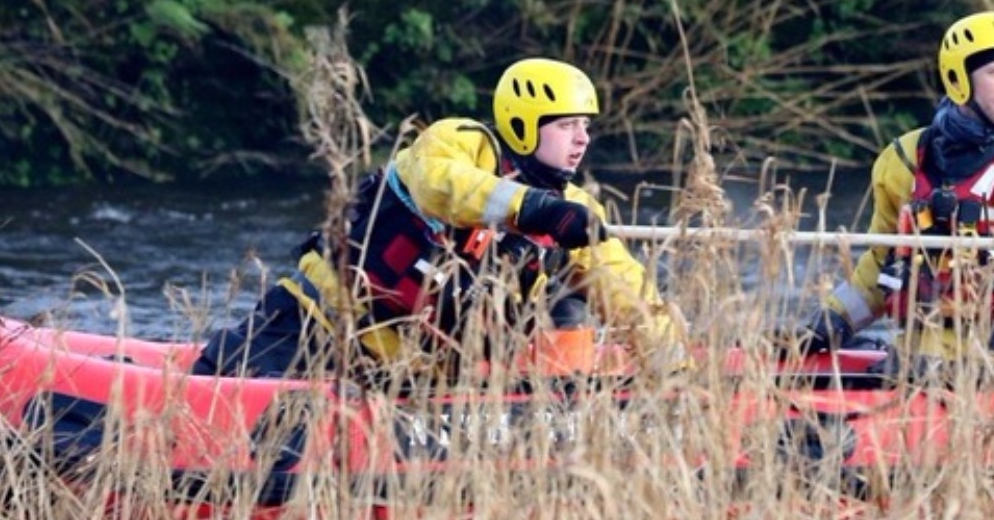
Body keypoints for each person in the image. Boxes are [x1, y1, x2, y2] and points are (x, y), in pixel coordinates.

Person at [192, 57, 681, 379]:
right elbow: (440, 182)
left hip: (402, 374)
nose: (582, 139)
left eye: (586, 127)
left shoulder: (577, 216)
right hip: (314, 327)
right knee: (222, 374)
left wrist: (676, 372)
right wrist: (532, 209)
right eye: (567, 125)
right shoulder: (460, 143)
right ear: (522, 125)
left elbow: (629, 295)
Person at [801, 11, 994, 378]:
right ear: (958, 79)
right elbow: (882, 262)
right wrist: (830, 323)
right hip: (914, 358)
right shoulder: (902, 161)